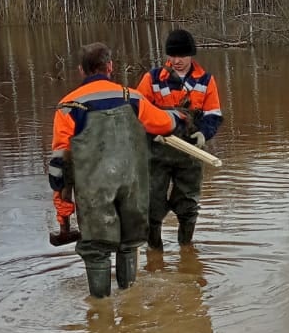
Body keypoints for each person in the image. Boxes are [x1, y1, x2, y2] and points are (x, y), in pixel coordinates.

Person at [49, 41, 185, 298]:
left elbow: (59, 165)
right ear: (110, 66)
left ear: (81, 70)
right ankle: (129, 302)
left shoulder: (68, 106)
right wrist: (178, 116)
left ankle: (100, 312)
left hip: (93, 192)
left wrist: (63, 212)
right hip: (132, 187)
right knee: (129, 244)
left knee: (97, 250)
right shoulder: (132, 97)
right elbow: (163, 124)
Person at [136, 28, 223, 248]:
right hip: (155, 154)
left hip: (190, 154)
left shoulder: (205, 81)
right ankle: (155, 251)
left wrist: (203, 134)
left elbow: (214, 115)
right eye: (172, 56)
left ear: (191, 55)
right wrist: (150, 132)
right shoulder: (152, 79)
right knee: (152, 206)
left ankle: (187, 251)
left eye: (181, 56)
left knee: (188, 206)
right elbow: (136, 112)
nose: (176, 61)